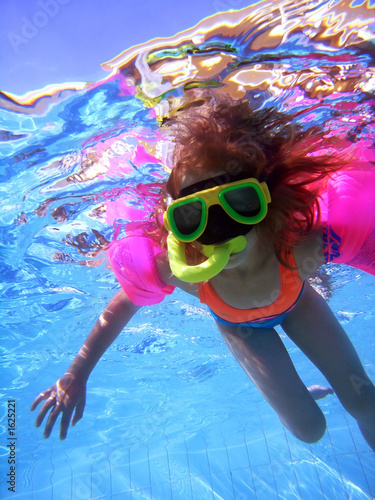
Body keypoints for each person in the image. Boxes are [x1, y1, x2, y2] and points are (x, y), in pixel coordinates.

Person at [31, 97, 375, 450]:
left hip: (299, 304)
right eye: (193, 216)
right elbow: (118, 309)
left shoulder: (297, 244)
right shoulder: (182, 270)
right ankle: (296, 398)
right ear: (175, 225)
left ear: (266, 199)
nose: (220, 229)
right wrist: (77, 373)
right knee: (309, 429)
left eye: (240, 203)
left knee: (365, 401)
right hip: (242, 331)